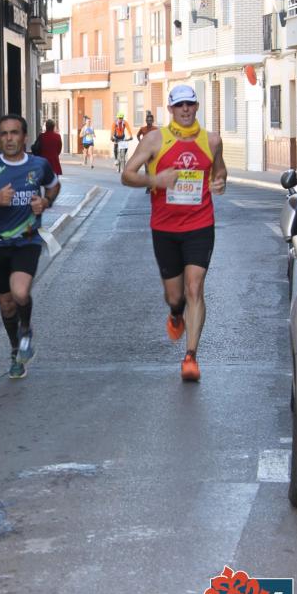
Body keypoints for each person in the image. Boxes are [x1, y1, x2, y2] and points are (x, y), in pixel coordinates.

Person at [121, 85, 227, 382]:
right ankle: (176, 313)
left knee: (195, 287)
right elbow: (127, 174)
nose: (185, 110)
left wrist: (219, 183)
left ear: (196, 107)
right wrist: (157, 179)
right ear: (170, 109)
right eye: (179, 105)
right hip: (164, 228)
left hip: (200, 225)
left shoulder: (212, 140)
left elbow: (219, 173)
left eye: (190, 105)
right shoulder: (156, 140)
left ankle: (191, 357)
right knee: (175, 296)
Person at [0, 114, 60, 379]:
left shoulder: (39, 165)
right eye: (4, 134)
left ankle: (27, 328)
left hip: (27, 240)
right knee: (6, 305)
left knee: (20, 293)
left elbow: (53, 187)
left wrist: (46, 203)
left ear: (24, 137)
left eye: (14, 133)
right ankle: (15, 349)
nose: (9, 138)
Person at [137, 112, 158, 193]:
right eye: (147, 120)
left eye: (150, 120)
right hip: (145, 151)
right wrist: (140, 142)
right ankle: (148, 187)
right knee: (147, 170)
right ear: (146, 121)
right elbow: (138, 135)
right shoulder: (143, 129)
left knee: (153, 169)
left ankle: (153, 185)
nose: (149, 121)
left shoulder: (155, 129)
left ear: (153, 120)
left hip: (153, 151)